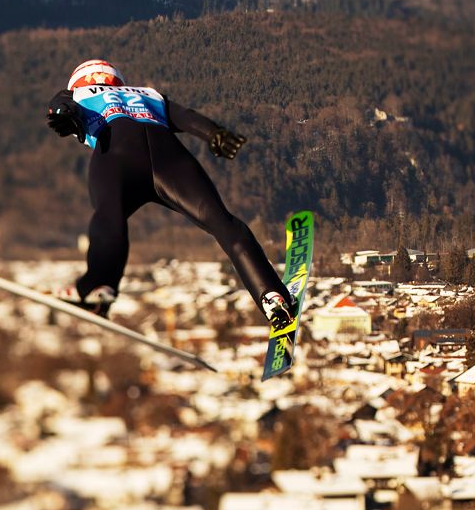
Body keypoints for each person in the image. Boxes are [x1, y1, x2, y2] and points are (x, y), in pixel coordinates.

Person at [44, 58, 295, 329]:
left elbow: (62, 107)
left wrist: (63, 114)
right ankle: (272, 295)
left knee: (109, 219)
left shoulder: (79, 93)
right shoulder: (149, 94)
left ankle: (99, 286)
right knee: (224, 223)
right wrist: (215, 134)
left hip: (117, 159)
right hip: (172, 164)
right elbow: (187, 117)